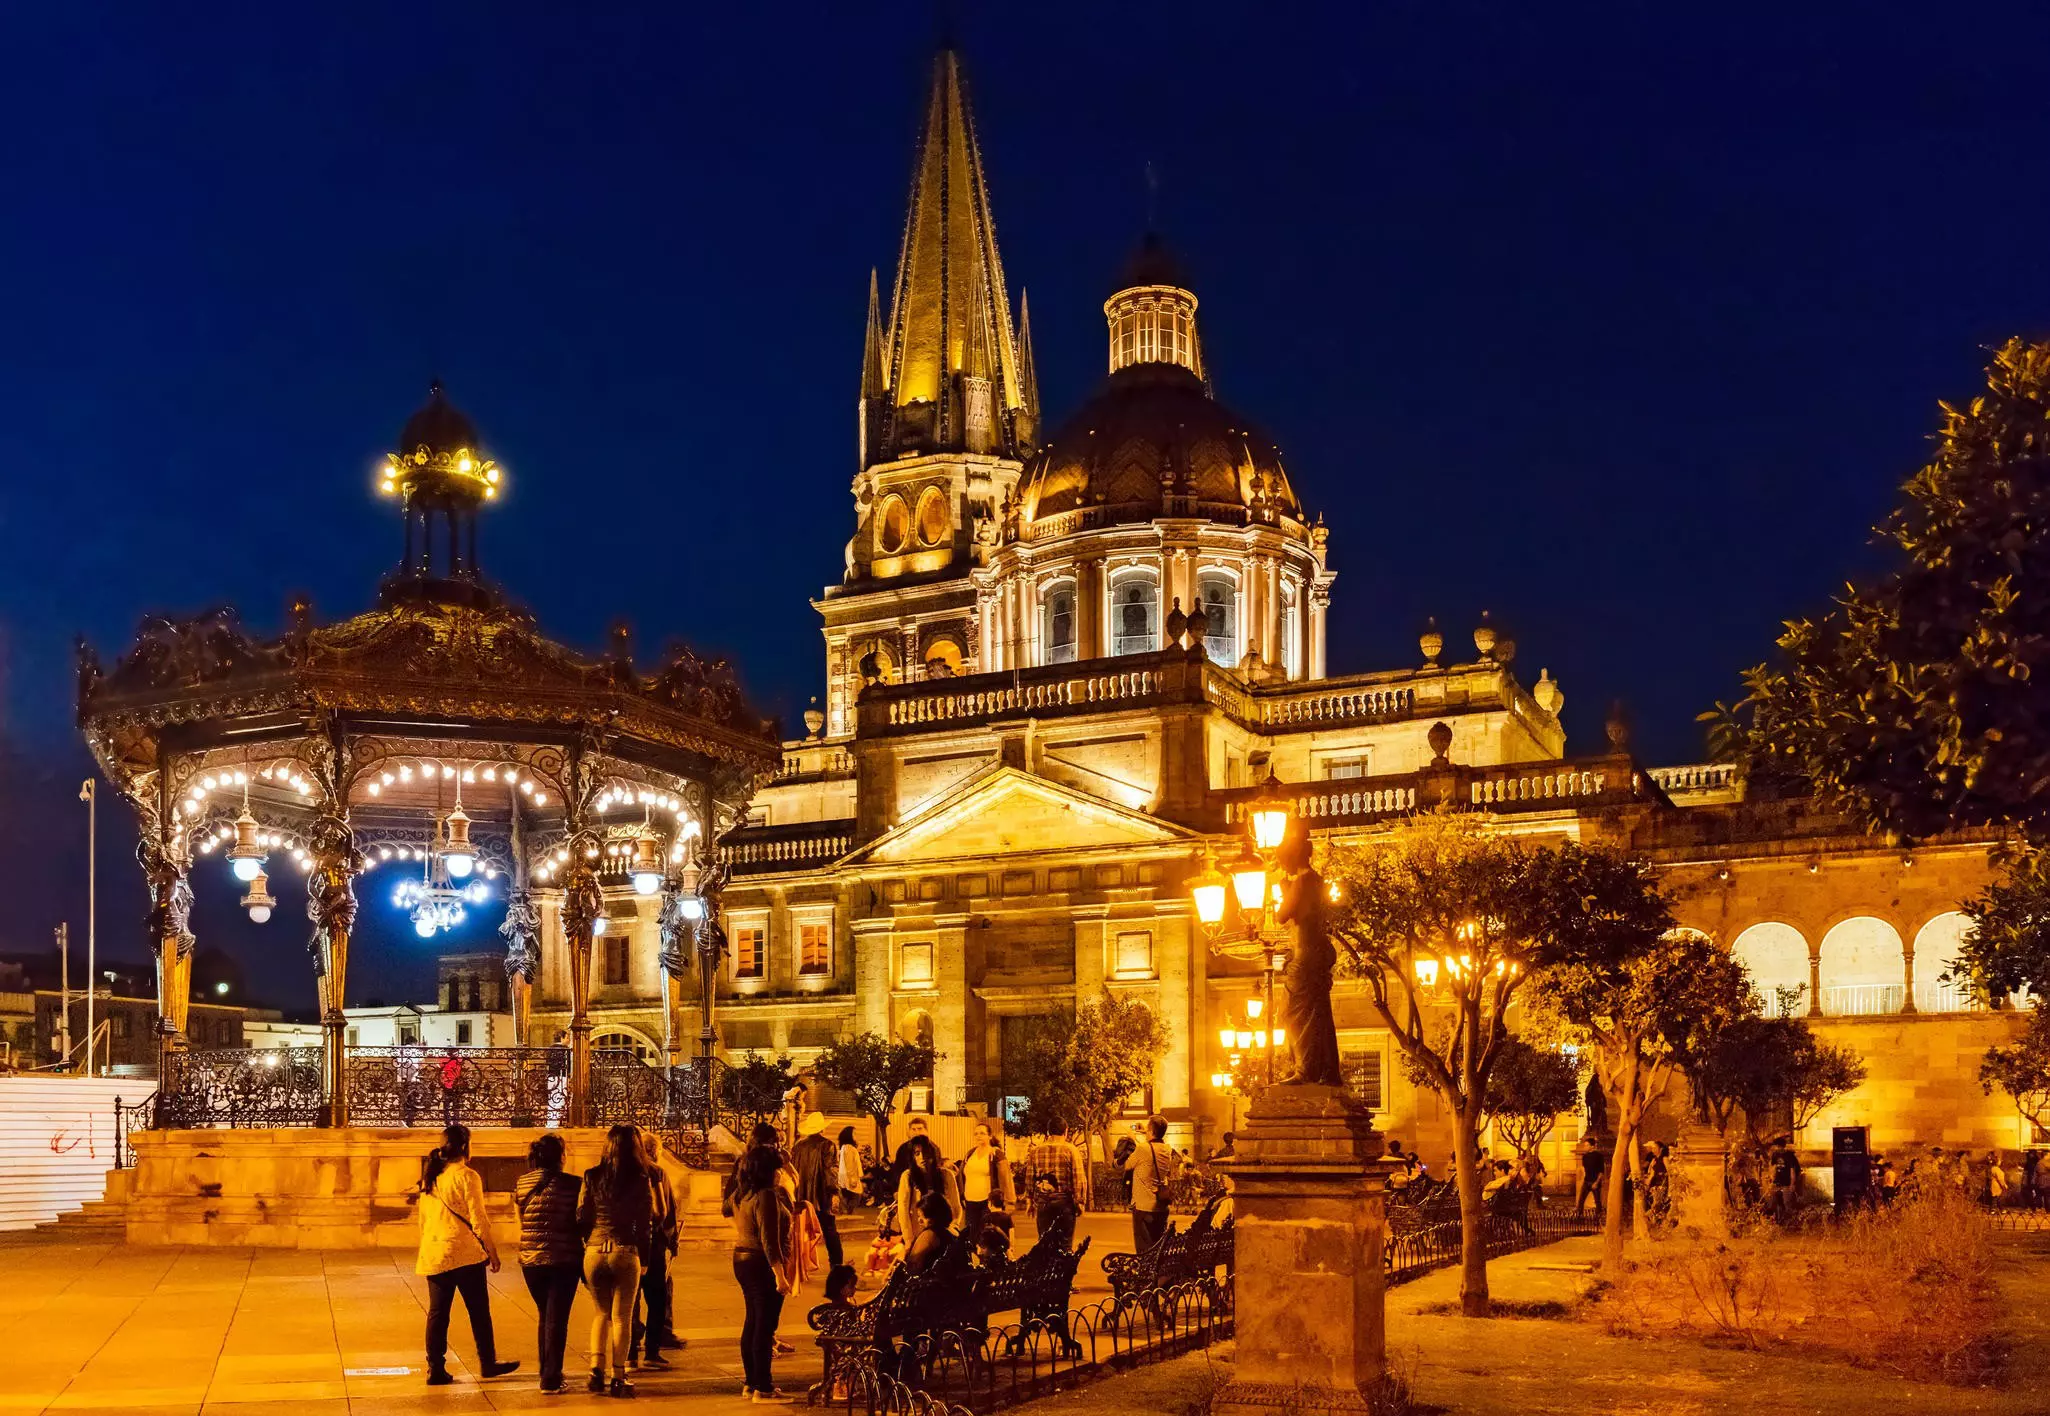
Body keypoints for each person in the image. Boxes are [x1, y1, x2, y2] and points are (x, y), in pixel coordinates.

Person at [414, 1124, 519, 1387]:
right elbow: (479, 1219)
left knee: (438, 1313)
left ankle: (435, 1368)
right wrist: (492, 1252)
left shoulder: (431, 1177)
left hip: (435, 1252)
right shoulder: (467, 1176)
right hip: (464, 1253)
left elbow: (423, 1221)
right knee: (479, 1311)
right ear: (465, 1147)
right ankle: (487, 1362)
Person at [578, 1123, 653, 1398]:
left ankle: (595, 1370)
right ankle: (618, 1376)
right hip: (625, 1248)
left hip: (595, 1249)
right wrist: (644, 1258)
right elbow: (645, 1223)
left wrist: (591, 1241)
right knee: (622, 1318)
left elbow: (582, 1215)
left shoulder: (592, 1176)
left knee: (601, 1313)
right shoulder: (640, 1178)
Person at [514, 1133, 581, 1394]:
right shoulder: (574, 1184)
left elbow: (521, 1218)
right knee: (557, 1318)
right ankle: (551, 1378)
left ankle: (547, 1370)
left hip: (531, 1260)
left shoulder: (522, 1182)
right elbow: (582, 1218)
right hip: (564, 1259)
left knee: (546, 1314)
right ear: (561, 1157)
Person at [730, 1143, 796, 1403]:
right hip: (760, 1261)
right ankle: (764, 1387)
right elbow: (770, 1239)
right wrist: (780, 1275)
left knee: (754, 1321)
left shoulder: (743, 1194)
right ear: (768, 1171)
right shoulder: (766, 1195)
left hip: (743, 1258)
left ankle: (751, 1382)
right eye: (777, 1168)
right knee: (765, 1325)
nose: (780, 1173)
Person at [635, 1128, 680, 1371]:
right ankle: (652, 1350)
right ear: (654, 1151)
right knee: (656, 1297)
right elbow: (667, 1211)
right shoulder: (657, 1172)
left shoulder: (624, 1171)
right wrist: (672, 1241)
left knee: (631, 1301)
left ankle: (630, 1351)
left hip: (629, 1245)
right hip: (653, 1244)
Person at [791, 1111, 842, 1269]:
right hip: (821, 1197)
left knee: (800, 1232)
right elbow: (830, 1172)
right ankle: (836, 1263)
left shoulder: (798, 1146)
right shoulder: (828, 1145)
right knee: (829, 1230)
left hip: (800, 1196)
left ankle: (799, 1264)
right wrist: (834, 1192)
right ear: (822, 1129)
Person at [1124, 1116, 1180, 1254]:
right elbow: (1152, 1146)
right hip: (1160, 1206)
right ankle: (1155, 1273)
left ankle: (1146, 1273)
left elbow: (1127, 1165)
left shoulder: (1143, 1149)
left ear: (1150, 1131)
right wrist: (1147, 1133)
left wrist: (1131, 1138)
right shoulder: (1167, 1149)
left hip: (1143, 1206)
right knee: (1157, 1246)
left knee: (1144, 1248)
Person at [895, 1135, 961, 1248]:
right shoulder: (907, 1176)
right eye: (917, 1153)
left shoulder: (946, 1175)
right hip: (918, 1235)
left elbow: (956, 1206)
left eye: (926, 1152)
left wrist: (954, 1226)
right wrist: (908, 1239)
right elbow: (903, 1211)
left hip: (943, 1233)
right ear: (913, 1157)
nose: (922, 1157)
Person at [959, 1123, 1015, 1241]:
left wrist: (1009, 1201)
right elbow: (961, 1176)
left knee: (988, 1236)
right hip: (970, 1201)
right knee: (971, 1236)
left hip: (988, 1202)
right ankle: (973, 1258)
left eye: (982, 1133)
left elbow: (1006, 1178)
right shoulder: (970, 1154)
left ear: (990, 1136)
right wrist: (961, 1196)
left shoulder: (995, 1154)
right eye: (976, 1134)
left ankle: (989, 1259)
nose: (979, 1136)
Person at [1025, 1132, 1084, 1213]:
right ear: (1065, 1131)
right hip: (1065, 1201)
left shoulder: (1035, 1151)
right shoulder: (1071, 1150)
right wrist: (1079, 1201)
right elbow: (1078, 1177)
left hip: (1043, 1201)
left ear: (1048, 1132)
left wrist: (1029, 1200)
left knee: (1045, 1225)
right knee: (1064, 1225)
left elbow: (1030, 1177)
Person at [904, 1191, 956, 1274]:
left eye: (923, 1217)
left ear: (935, 1216)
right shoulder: (952, 1230)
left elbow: (913, 1265)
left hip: (928, 1283)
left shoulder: (929, 1235)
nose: (919, 1220)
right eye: (918, 1216)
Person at [1573, 1134, 1607, 1217]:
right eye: (1585, 1145)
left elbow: (1601, 1171)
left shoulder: (1599, 1156)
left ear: (1592, 1146)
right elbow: (1585, 1169)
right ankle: (1579, 1215)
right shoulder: (1585, 1157)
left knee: (1597, 1200)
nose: (1585, 1147)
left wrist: (1597, 1182)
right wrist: (1583, 1180)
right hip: (1586, 1181)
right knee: (1581, 1199)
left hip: (1595, 1181)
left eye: (1587, 1145)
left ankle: (1598, 1216)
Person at [836, 1127, 866, 1211]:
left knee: (849, 1195)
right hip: (850, 1177)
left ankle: (845, 1210)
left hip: (846, 1177)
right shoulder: (849, 1148)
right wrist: (854, 1178)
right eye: (854, 1134)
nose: (856, 1136)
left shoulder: (845, 1147)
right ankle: (846, 1210)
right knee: (855, 1196)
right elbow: (850, 1164)